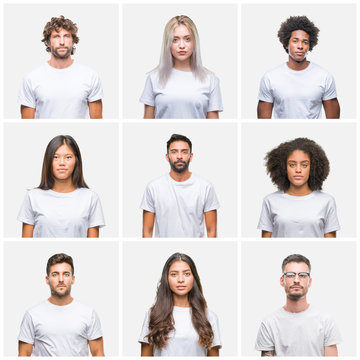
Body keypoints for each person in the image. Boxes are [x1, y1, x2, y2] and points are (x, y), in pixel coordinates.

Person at [17, 135, 105, 237]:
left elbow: (92, 245)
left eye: (68, 157)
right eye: (55, 157)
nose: (62, 163)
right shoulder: (32, 197)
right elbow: (27, 243)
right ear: (48, 160)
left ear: (76, 160)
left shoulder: (90, 197)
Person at [18, 253, 104, 356]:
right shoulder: (32, 314)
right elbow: (23, 355)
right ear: (47, 279)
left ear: (73, 279)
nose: (61, 279)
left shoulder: (89, 314)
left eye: (66, 274)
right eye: (55, 274)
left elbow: (98, 354)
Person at [255, 254, 341, 356]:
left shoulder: (326, 321)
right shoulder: (269, 323)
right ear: (282, 281)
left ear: (310, 281)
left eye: (302, 275)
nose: (296, 280)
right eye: (290, 275)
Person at [18, 15, 103, 119]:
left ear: (73, 41)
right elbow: (27, 124)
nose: (62, 42)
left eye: (66, 36)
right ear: (48, 42)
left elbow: (97, 121)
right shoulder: (31, 79)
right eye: (56, 36)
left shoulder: (90, 76)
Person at [140, 15, 223, 119]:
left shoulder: (210, 79)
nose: (182, 45)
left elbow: (213, 127)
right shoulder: (153, 78)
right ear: (168, 43)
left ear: (194, 42)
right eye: (175, 40)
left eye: (187, 39)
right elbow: (148, 124)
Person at [257, 16, 340, 119]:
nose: (300, 46)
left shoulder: (325, 77)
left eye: (305, 42)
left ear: (309, 46)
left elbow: (333, 121)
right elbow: (264, 122)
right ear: (286, 44)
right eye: (295, 41)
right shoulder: (270, 78)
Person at [139, 252, 221, 356]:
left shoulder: (209, 316)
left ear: (194, 277)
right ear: (166, 278)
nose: (181, 280)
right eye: (174, 274)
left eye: (187, 274)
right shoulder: (153, 315)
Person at [258, 138, 340, 238]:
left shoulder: (327, 201)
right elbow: (266, 242)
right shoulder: (270, 200)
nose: (298, 170)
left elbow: (330, 244)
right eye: (292, 165)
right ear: (283, 167)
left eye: (304, 165)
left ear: (313, 167)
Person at [141, 134, 219, 237]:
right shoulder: (153, 187)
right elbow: (147, 232)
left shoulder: (205, 187)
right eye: (174, 152)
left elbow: (211, 232)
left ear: (190, 156)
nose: (179, 156)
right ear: (167, 156)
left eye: (184, 152)